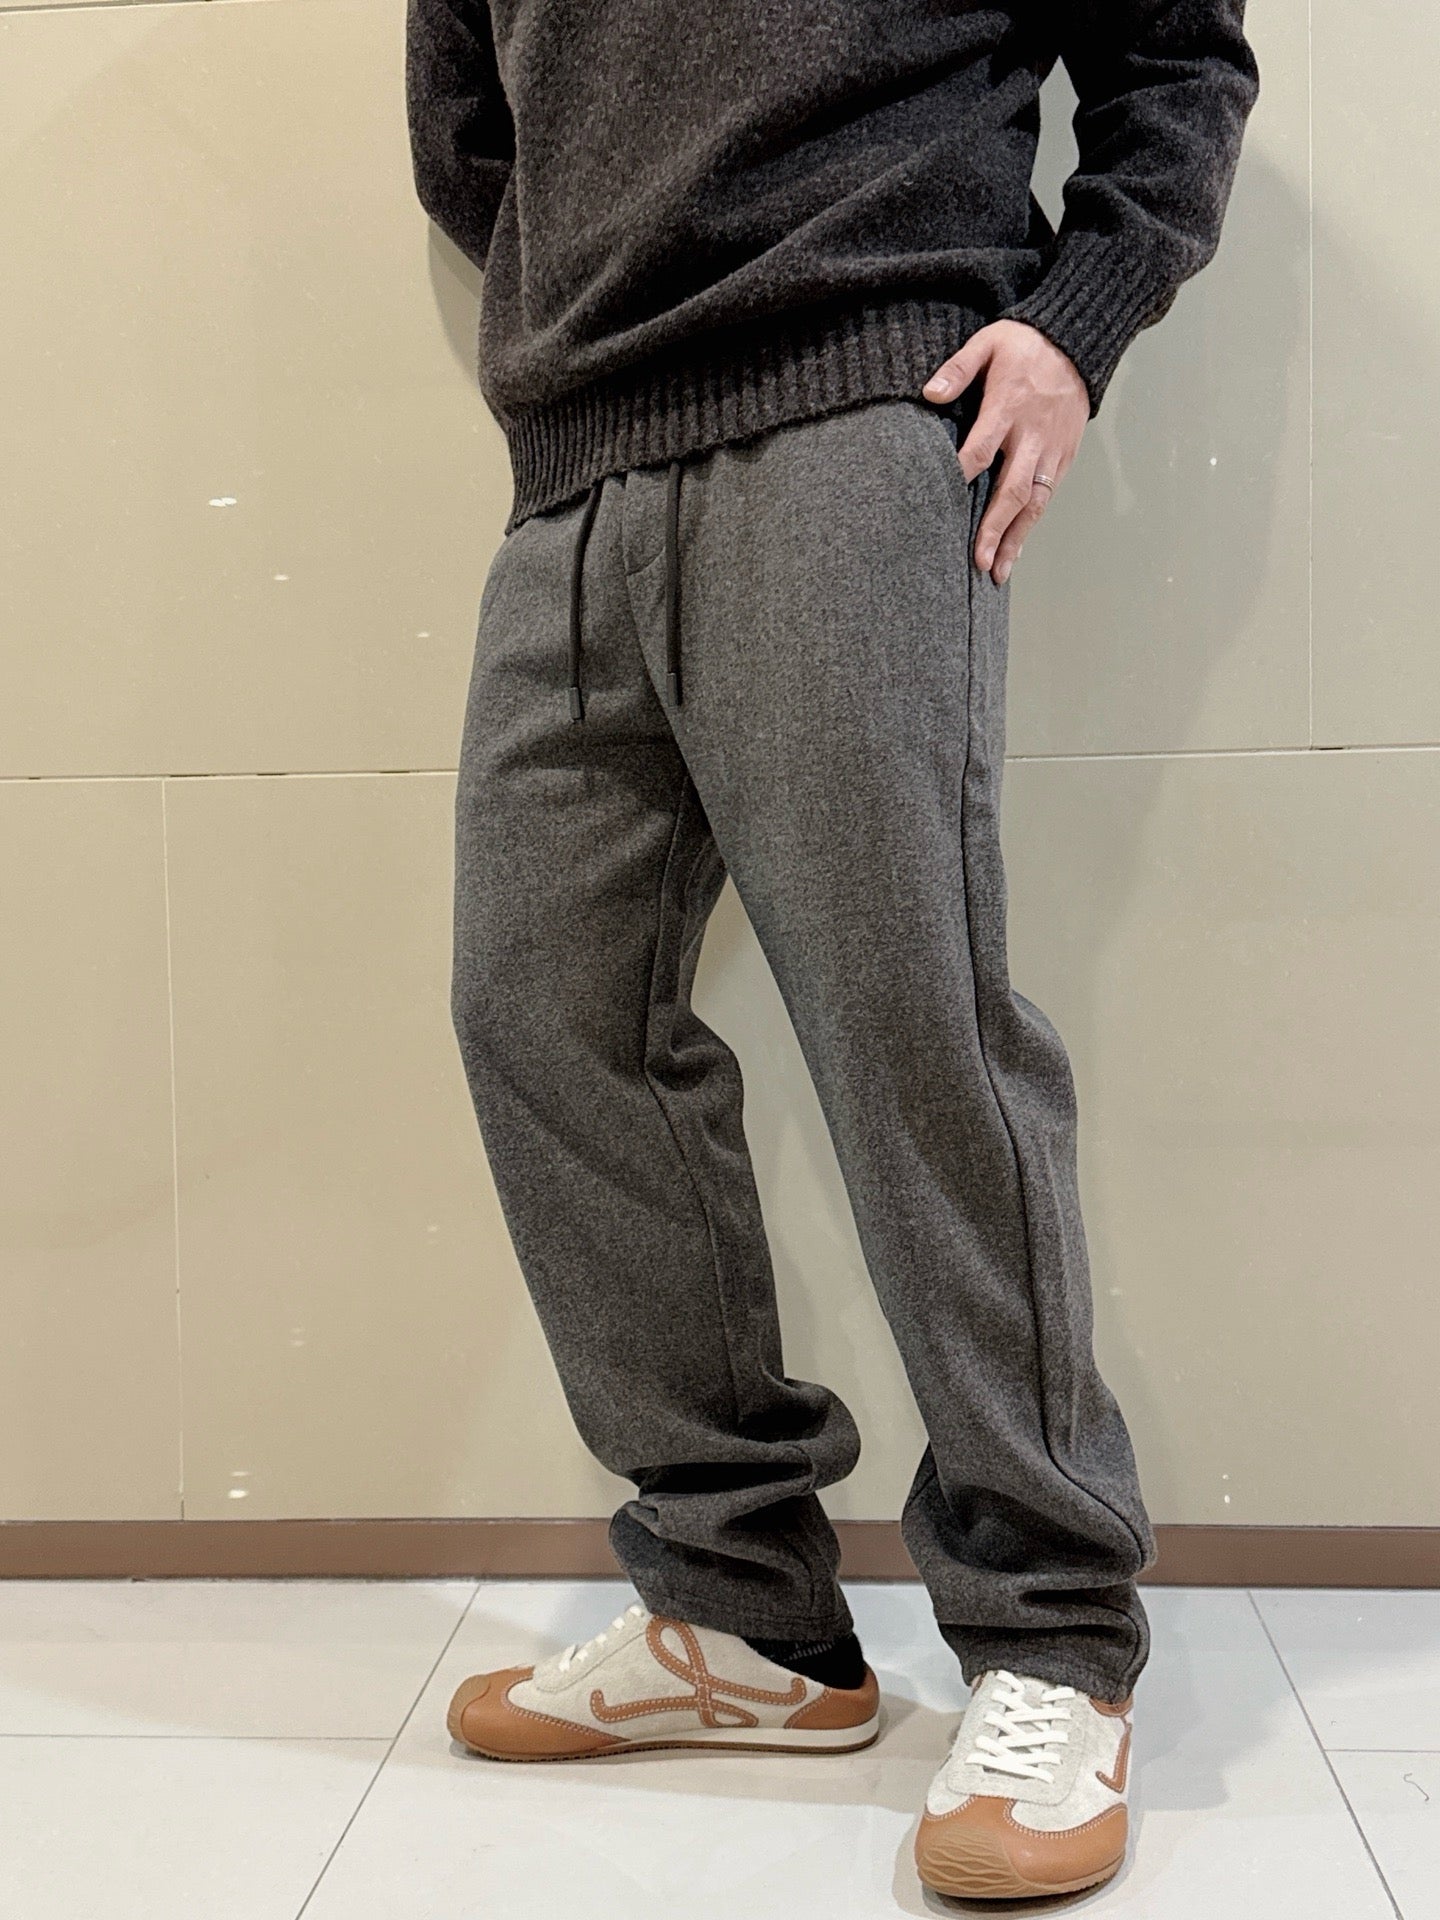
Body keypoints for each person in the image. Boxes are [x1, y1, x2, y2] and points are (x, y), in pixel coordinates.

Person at [406, 1, 1257, 1899]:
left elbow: (1178, 50)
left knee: (905, 1020)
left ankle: (1053, 1632)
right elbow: (468, 123)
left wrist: (1080, 319)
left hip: (863, 404)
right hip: (577, 474)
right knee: (540, 1016)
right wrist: (585, 328)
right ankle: (745, 1615)